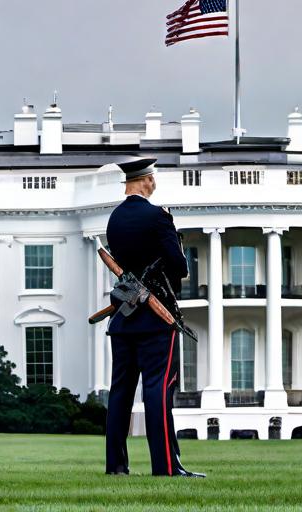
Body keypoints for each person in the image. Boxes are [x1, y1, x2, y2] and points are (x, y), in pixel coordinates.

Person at [103, 157, 203, 478]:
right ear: (147, 181)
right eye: (153, 177)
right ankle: (166, 467)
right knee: (158, 390)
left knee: (120, 392)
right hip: (156, 317)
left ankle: (116, 466)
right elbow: (179, 266)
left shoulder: (114, 220)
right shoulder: (159, 217)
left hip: (123, 317)